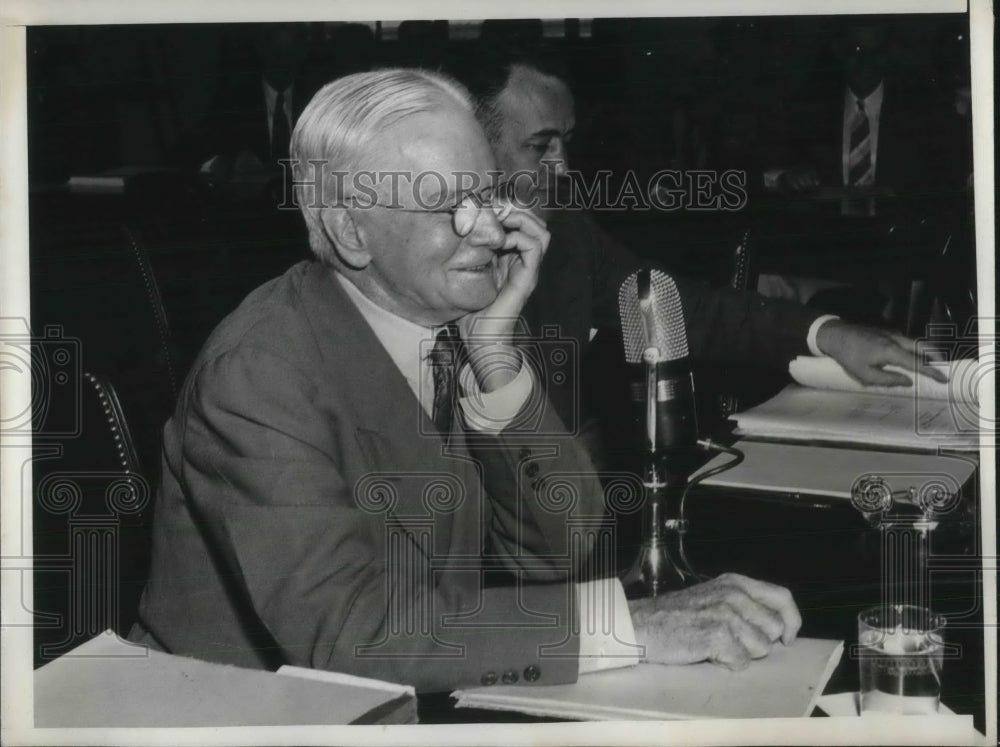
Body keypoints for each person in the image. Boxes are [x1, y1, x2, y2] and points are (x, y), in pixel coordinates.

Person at [130, 69, 803, 693]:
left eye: (488, 193)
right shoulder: (260, 373)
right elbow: (347, 632)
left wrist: (496, 355)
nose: (488, 230)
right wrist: (635, 626)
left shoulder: (453, 317)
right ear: (350, 231)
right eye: (450, 206)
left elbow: (562, 544)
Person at [453, 49, 946, 434]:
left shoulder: (569, 236)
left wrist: (832, 334)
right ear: (473, 146)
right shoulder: (422, 259)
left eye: (567, 141)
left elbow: (691, 309)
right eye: (541, 147)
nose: (563, 169)